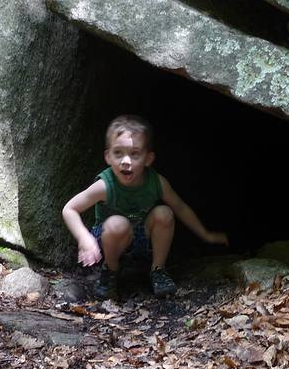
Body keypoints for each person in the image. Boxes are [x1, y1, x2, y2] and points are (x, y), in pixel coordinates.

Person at [62, 115, 228, 300]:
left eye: (134, 154)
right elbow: (70, 209)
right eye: (118, 153)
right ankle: (111, 271)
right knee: (118, 223)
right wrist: (85, 238)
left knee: (164, 213)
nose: (126, 161)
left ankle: (158, 270)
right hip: (110, 239)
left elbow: (180, 207)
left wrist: (205, 234)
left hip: (140, 237)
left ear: (148, 158)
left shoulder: (156, 183)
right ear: (108, 156)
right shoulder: (105, 185)